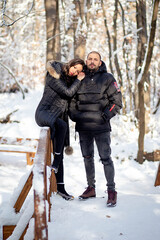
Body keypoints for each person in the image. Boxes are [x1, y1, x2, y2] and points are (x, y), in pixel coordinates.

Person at [69, 51, 122, 207]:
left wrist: (105, 116)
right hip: (83, 127)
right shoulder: (79, 78)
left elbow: (116, 102)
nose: (92, 61)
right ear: (86, 61)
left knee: (106, 158)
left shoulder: (108, 78)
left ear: (100, 62)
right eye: (90, 59)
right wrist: (75, 116)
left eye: (95, 59)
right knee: (87, 158)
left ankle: (111, 191)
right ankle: (91, 188)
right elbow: (71, 100)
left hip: (101, 127)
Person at [35, 58, 85, 200]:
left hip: (58, 117)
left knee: (60, 149)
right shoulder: (54, 74)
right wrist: (79, 80)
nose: (75, 72)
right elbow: (67, 93)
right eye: (75, 68)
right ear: (71, 63)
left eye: (78, 72)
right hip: (44, 113)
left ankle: (61, 189)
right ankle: (55, 161)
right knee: (61, 128)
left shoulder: (69, 79)